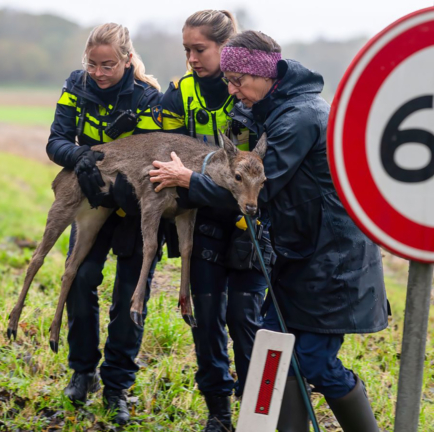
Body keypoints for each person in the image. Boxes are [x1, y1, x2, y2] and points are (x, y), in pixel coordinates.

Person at [149, 30, 388, 432]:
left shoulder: (299, 117)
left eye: (238, 80)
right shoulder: (275, 111)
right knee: (273, 349)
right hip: (299, 257)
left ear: (264, 76)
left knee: (315, 361)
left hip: (331, 261)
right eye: (229, 80)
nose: (232, 89)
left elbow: (257, 189)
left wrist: (190, 180)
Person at [160, 11, 272, 432]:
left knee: (245, 321)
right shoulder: (177, 95)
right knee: (206, 320)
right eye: (186, 49)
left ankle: (254, 416)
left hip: (247, 228)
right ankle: (218, 414)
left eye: (200, 49)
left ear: (227, 49)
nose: (191, 58)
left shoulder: (252, 93)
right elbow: (162, 154)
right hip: (202, 222)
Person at [45, 22, 163, 425]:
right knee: (80, 279)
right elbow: (56, 140)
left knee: (130, 295)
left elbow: (154, 161)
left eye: (108, 64)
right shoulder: (75, 85)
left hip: (133, 209)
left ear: (127, 60)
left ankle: (117, 388)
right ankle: (83, 372)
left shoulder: (149, 97)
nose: (98, 72)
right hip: (93, 202)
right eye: (92, 64)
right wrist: (79, 158)